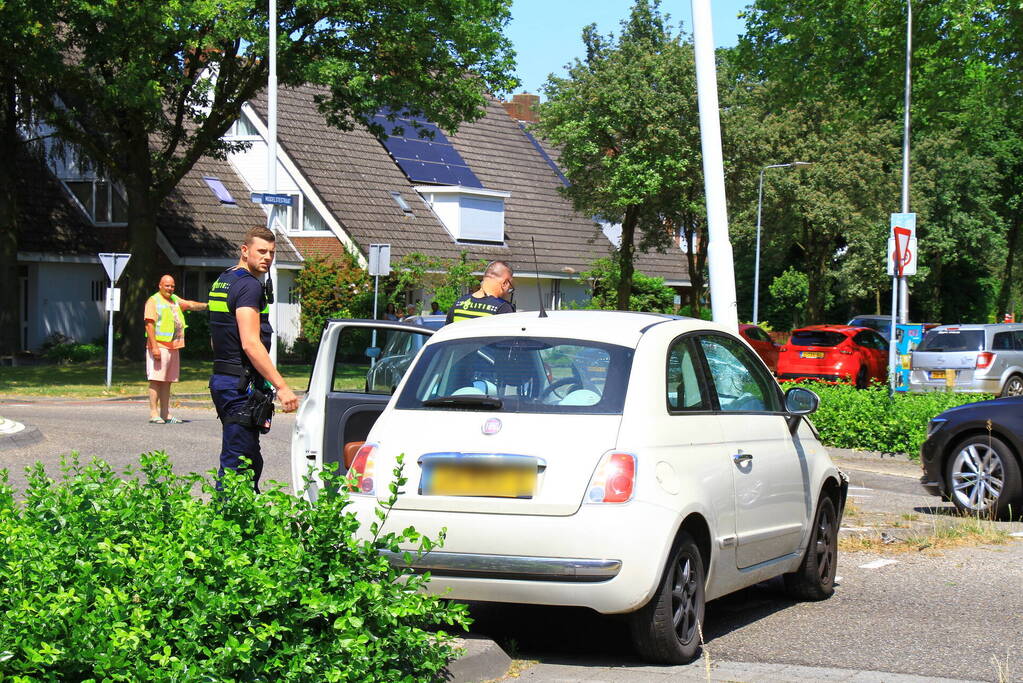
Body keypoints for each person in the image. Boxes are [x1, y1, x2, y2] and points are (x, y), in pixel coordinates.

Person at [208, 226, 299, 491]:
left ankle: (240, 520)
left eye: (271, 252)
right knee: (239, 465)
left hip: (224, 379)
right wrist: (282, 387)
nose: (267, 257)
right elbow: (251, 343)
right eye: (261, 251)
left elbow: (217, 337)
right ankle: (228, 525)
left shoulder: (224, 280)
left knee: (247, 458)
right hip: (240, 385)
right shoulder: (249, 287)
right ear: (245, 250)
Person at [144, 274, 207, 424]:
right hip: (159, 346)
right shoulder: (153, 301)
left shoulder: (174, 300)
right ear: (160, 285)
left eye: (172, 286)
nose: (170, 288)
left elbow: (190, 305)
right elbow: (149, 325)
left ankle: (165, 414)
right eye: (167, 285)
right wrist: (154, 348)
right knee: (156, 380)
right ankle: (154, 413)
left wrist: (210, 305)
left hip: (173, 347)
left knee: (167, 381)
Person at [446, 260, 516, 324]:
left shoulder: (458, 304)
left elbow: (446, 334)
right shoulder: (503, 308)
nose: (508, 291)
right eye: (509, 287)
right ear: (505, 283)